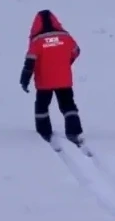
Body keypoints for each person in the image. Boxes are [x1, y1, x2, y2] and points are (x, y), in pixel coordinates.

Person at [19, 9, 85, 145]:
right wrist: (66, 63)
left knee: (42, 107)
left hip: (44, 81)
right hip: (64, 80)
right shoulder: (66, 37)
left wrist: (24, 80)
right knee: (68, 105)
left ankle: (44, 131)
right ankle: (74, 131)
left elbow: (30, 62)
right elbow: (76, 51)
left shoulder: (37, 41)